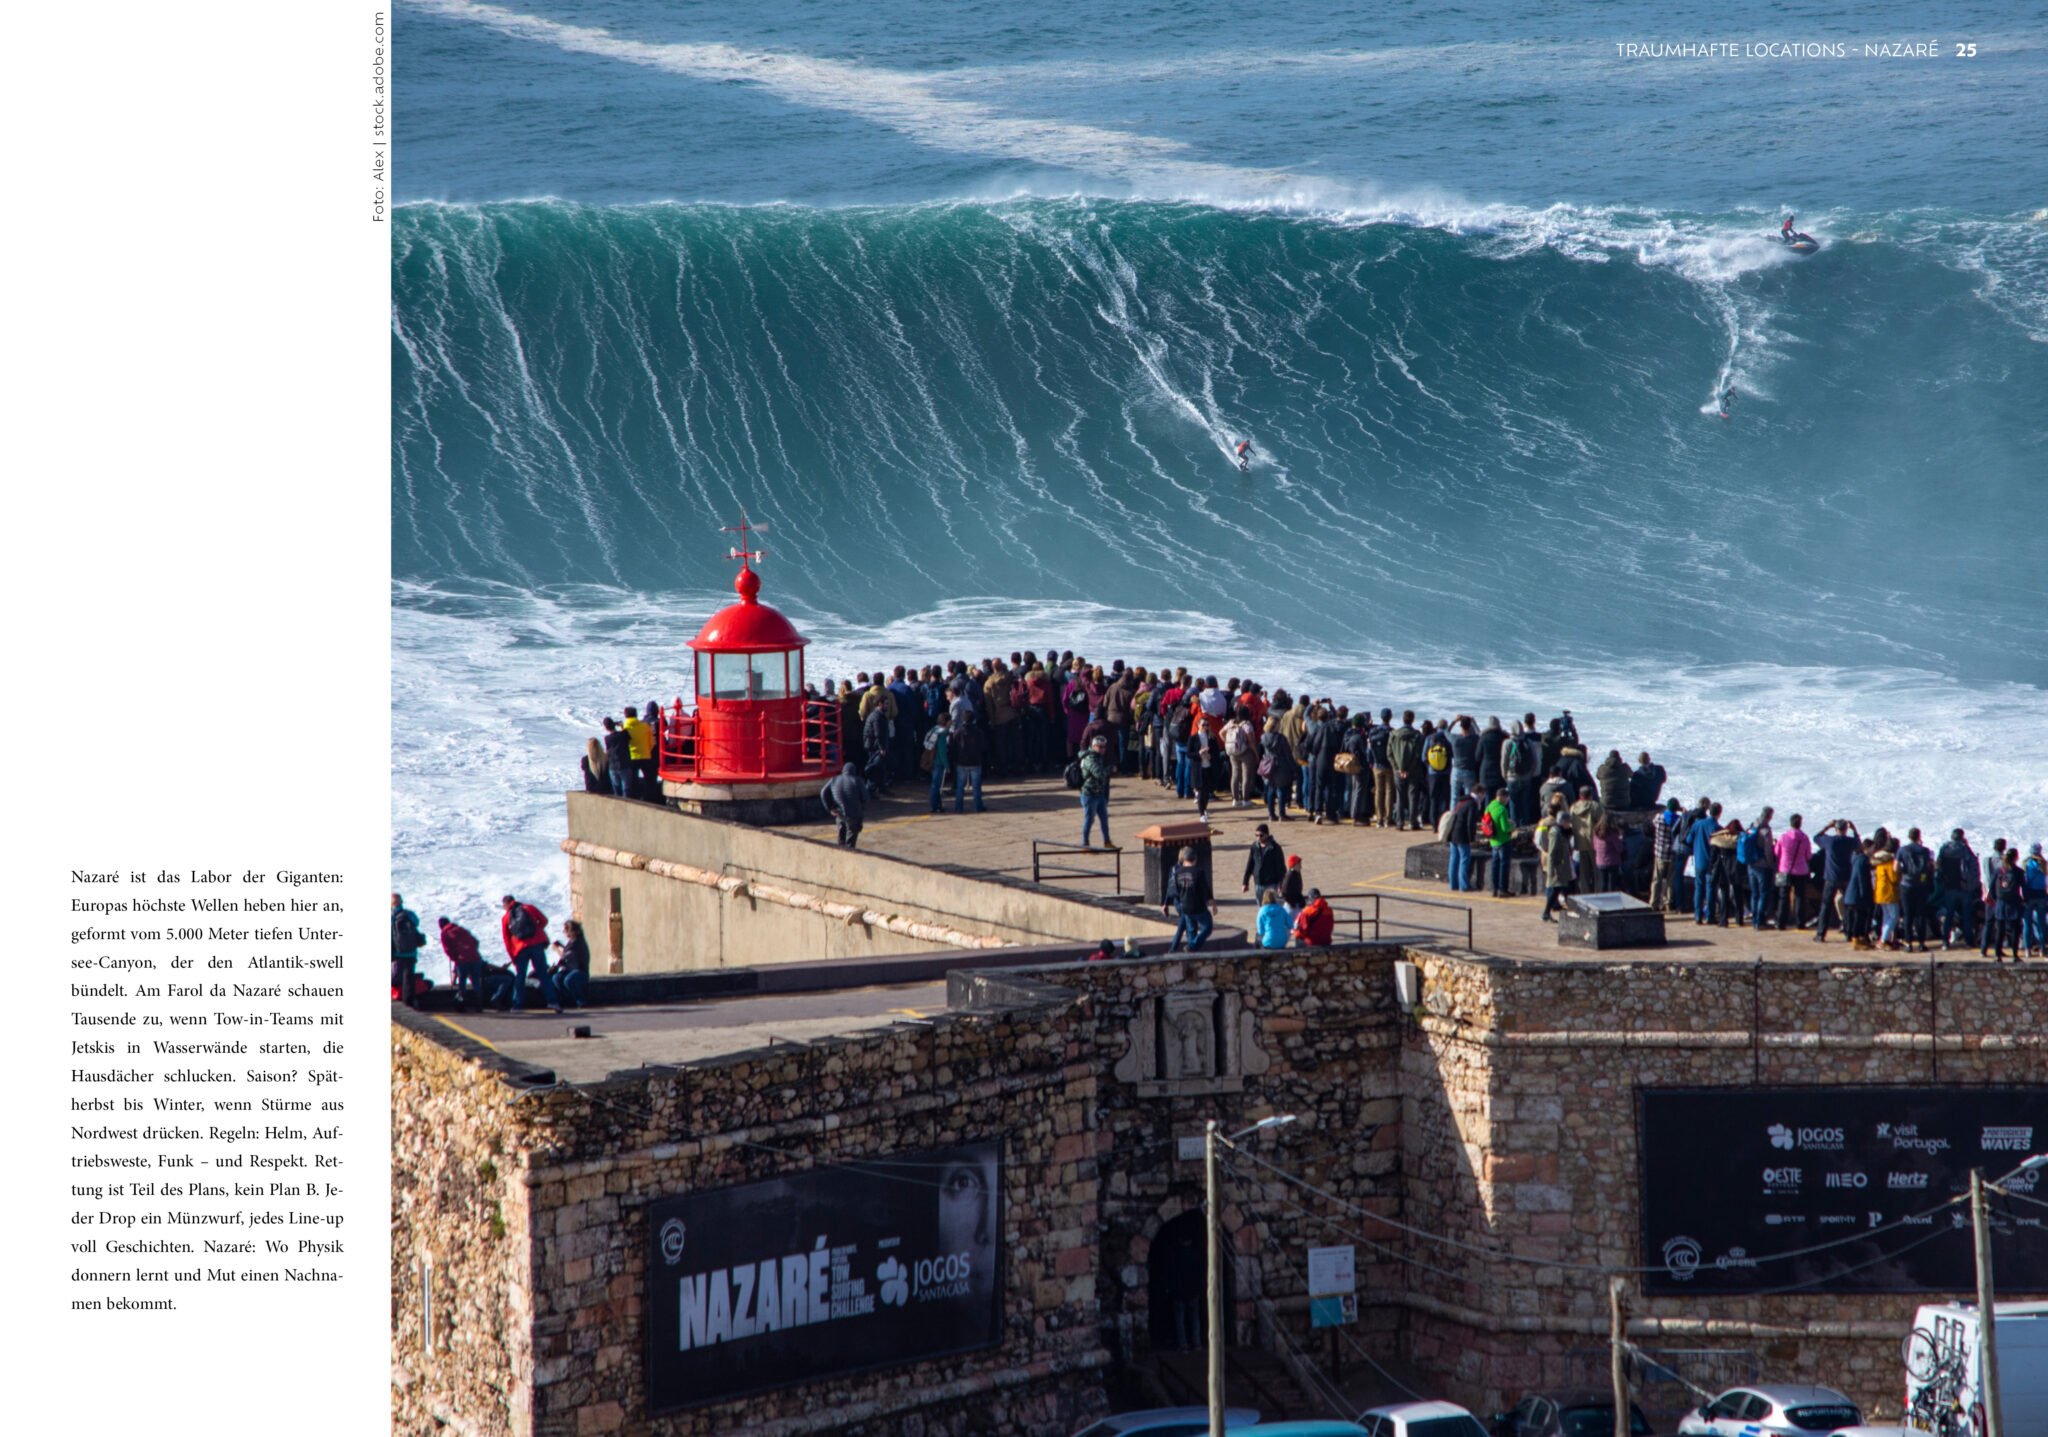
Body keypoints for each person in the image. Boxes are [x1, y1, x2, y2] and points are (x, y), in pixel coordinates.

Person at [500, 893, 559, 1013]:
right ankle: (553, 1002)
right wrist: (537, 930)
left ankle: (517, 1005)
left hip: (520, 949)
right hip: (537, 945)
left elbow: (506, 940)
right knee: (543, 974)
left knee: (520, 976)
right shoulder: (529, 908)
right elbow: (544, 920)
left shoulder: (506, 918)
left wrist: (513, 957)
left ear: (505, 905)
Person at [1812, 818, 1861, 942]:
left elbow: (1816, 837)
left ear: (1836, 829)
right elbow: (1859, 843)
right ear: (1846, 829)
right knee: (1849, 906)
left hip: (1831, 878)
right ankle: (1849, 934)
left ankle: (1821, 934)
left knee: (1826, 907)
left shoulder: (1830, 841)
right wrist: (1854, 829)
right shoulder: (1850, 842)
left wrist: (1827, 826)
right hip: (1846, 877)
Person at [1164, 850, 1213, 953]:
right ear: (1195, 859)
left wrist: (1169, 902)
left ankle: (1191, 954)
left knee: (1191, 930)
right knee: (1207, 927)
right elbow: (1205, 889)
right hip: (1198, 906)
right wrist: (1212, 902)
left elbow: (1174, 890)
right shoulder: (1199, 872)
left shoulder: (1177, 873)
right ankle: (1191, 946)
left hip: (1184, 906)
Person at [1895, 827, 1934, 952]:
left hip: (1906, 885)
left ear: (1908, 836)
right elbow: (1930, 866)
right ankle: (1922, 943)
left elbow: (1895, 868)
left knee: (1908, 915)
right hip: (1921, 885)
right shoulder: (1925, 850)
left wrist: (1903, 874)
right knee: (1920, 915)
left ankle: (1909, 944)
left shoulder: (1902, 850)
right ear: (1919, 836)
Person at [1984, 847, 2027, 961]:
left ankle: (1998, 955)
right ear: (2016, 858)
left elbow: (1992, 888)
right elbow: (2024, 889)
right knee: (2014, 931)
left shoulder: (1999, 870)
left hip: (2000, 905)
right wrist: (2024, 901)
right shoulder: (2018, 872)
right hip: (2014, 905)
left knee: (2000, 930)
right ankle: (2015, 955)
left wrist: (1996, 900)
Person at [1775, 813, 1813, 931]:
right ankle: (1800, 923)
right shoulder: (1805, 838)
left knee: (1783, 897)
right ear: (1800, 824)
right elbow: (1808, 855)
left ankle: (1781, 923)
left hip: (1784, 870)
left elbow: (1777, 852)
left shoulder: (1783, 837)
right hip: (1801, 871)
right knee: (1800, 897)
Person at [1536, 805, 1574, 922]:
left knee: (1561, 889)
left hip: (1562, 866)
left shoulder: (1562, 831)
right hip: (1558, 867)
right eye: (1568, 822)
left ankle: (1547, 913)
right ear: (1562, 822)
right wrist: (1552, 870)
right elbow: (1552, 853)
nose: (1569, 824)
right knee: (1557, 890)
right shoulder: (1555, 832)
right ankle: (1546, 913)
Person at [437, 915, 485, 1010]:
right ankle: (479, 1005)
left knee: (462, 981)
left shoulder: (445, 933)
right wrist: (472, 951)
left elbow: (447, 949)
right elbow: (475, 941)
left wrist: (455, 958)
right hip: (475, 958)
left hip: (462, 960)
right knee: (476, 981)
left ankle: (462, 1004)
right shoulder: (461, 929)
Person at [1743, 807, 1777, 929]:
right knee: (1763, 894)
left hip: (1751, 865)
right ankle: (1760, 921)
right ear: (1769, 816)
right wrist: (1772, 865)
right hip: (1762, 866)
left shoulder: (1752, 826)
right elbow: (1768, 851)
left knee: (1754, 894)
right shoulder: (1766, 830)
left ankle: (1754, 921)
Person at [1649, 798, 1684, 911]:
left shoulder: (1659, 818)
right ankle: (1668, 903)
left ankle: (1653, 903)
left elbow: (1653, 823)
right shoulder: (1679, 820)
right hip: (1672, 854)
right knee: (1670, 880)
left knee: (1657, 879)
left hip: (1660, 853)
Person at [821, 761, 867, 847]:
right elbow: (865, 798)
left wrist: (830, 808)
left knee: (841, 840)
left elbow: (823, 792)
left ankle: (840, 856)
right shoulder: (857, 780)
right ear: (854, 771)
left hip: (839, 813)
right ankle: (849, 857)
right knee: (850, 841)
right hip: (853, 814)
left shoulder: (834, 779)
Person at [1079, 735, 1114, 849]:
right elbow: (1099, 773)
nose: (1103, 749)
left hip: (1099, 794)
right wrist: (1110, 769)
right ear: (1093, 746)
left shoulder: (1098, 757)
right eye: (1100, 747)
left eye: (1104, 747)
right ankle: (1085, 844)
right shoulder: (1089, 758)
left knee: (1104, 820)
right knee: (1089, 820)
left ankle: (1107, 842)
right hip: (1089, 795)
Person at [391, 892, 425, 1008]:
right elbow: (417, 923)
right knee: (408, 978)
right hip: (411, 952)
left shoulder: (391, 916)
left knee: (395, 976)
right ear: (401, 902)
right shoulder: (409, 915)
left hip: (396, 953)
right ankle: (408, 1003)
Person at [1444, 787, 1480, 893]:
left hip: (1453, 833)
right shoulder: (1472, 804)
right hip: (1462, 835)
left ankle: (1453, 884)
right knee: (1464, 859)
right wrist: (1471, 838)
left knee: (1454, 859)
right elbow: (1470, 823)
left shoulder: (1461, 801)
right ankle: (1464, 886)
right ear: (1480, 793)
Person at [951, 716, 988, 813]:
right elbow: (983, 747)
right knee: (976, 786)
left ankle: (958, 808)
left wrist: (955, 759)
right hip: (975, 762)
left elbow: (953, 747)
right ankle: (978, 806)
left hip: (961, 762)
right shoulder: (979, 732)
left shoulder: (958, 732)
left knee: (960, 786)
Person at [1483, 787, 1516, 898]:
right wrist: (1513, 825)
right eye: (1506, 798)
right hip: (1503, 841)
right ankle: (1503, 889)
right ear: (1502, 797)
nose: (1507, 801)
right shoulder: (1502, 809)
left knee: (1495, 865)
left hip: (1493, 841)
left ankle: (1494, 889)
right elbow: (1505, 828)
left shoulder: (1490, 806)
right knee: (1504, 866)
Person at [552, 918, 591, 1008]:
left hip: (581, 971)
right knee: (556, 978)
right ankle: (567, 1000)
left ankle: (581, 1001)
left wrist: (556, 949)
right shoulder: (572, 942)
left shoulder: (578, 942)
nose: (565, 933)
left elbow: (566, 955)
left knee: (569, 980)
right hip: (571, 969)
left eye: (566, 931)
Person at [1243, 823, 1286, 896]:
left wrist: (1280, 883)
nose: (1258, 838)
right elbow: (1250, 864)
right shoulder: (1254, 847)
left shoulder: (1275, 848)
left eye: (1261, 835)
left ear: (1267, 835)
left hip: (1271, 884)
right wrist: (1245, 882)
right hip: (1258, 883)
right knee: (1261, 907)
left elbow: (1281, 867)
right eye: (1256, 835)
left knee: (1271, 905)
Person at [621, 705, 655, 797]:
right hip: (645, 755)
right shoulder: (645, 726)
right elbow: (652, 742)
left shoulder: (625, 728)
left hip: (632, 757)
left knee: (632, 781)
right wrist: (647, 750)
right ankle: (649, 798)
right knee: (649, 780)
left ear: (625, 716)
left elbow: (623, 744)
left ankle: (636, 799)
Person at [601, 716, 634, 798]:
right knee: (627, 789)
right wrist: (621, 726)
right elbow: (628, 737)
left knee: (617, 789)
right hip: (624, 765)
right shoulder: (623, 735)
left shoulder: (607, 739)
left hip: (613, 766)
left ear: (606, 728)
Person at [925, 718, 952, 813]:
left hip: (932, 760)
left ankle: (937, 805)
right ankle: (934, 806)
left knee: (935, 784)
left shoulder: (934, 729)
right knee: (936, 785)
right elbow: (942, 751)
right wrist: (947, 765)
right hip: (938, 762)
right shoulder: (943, 733)